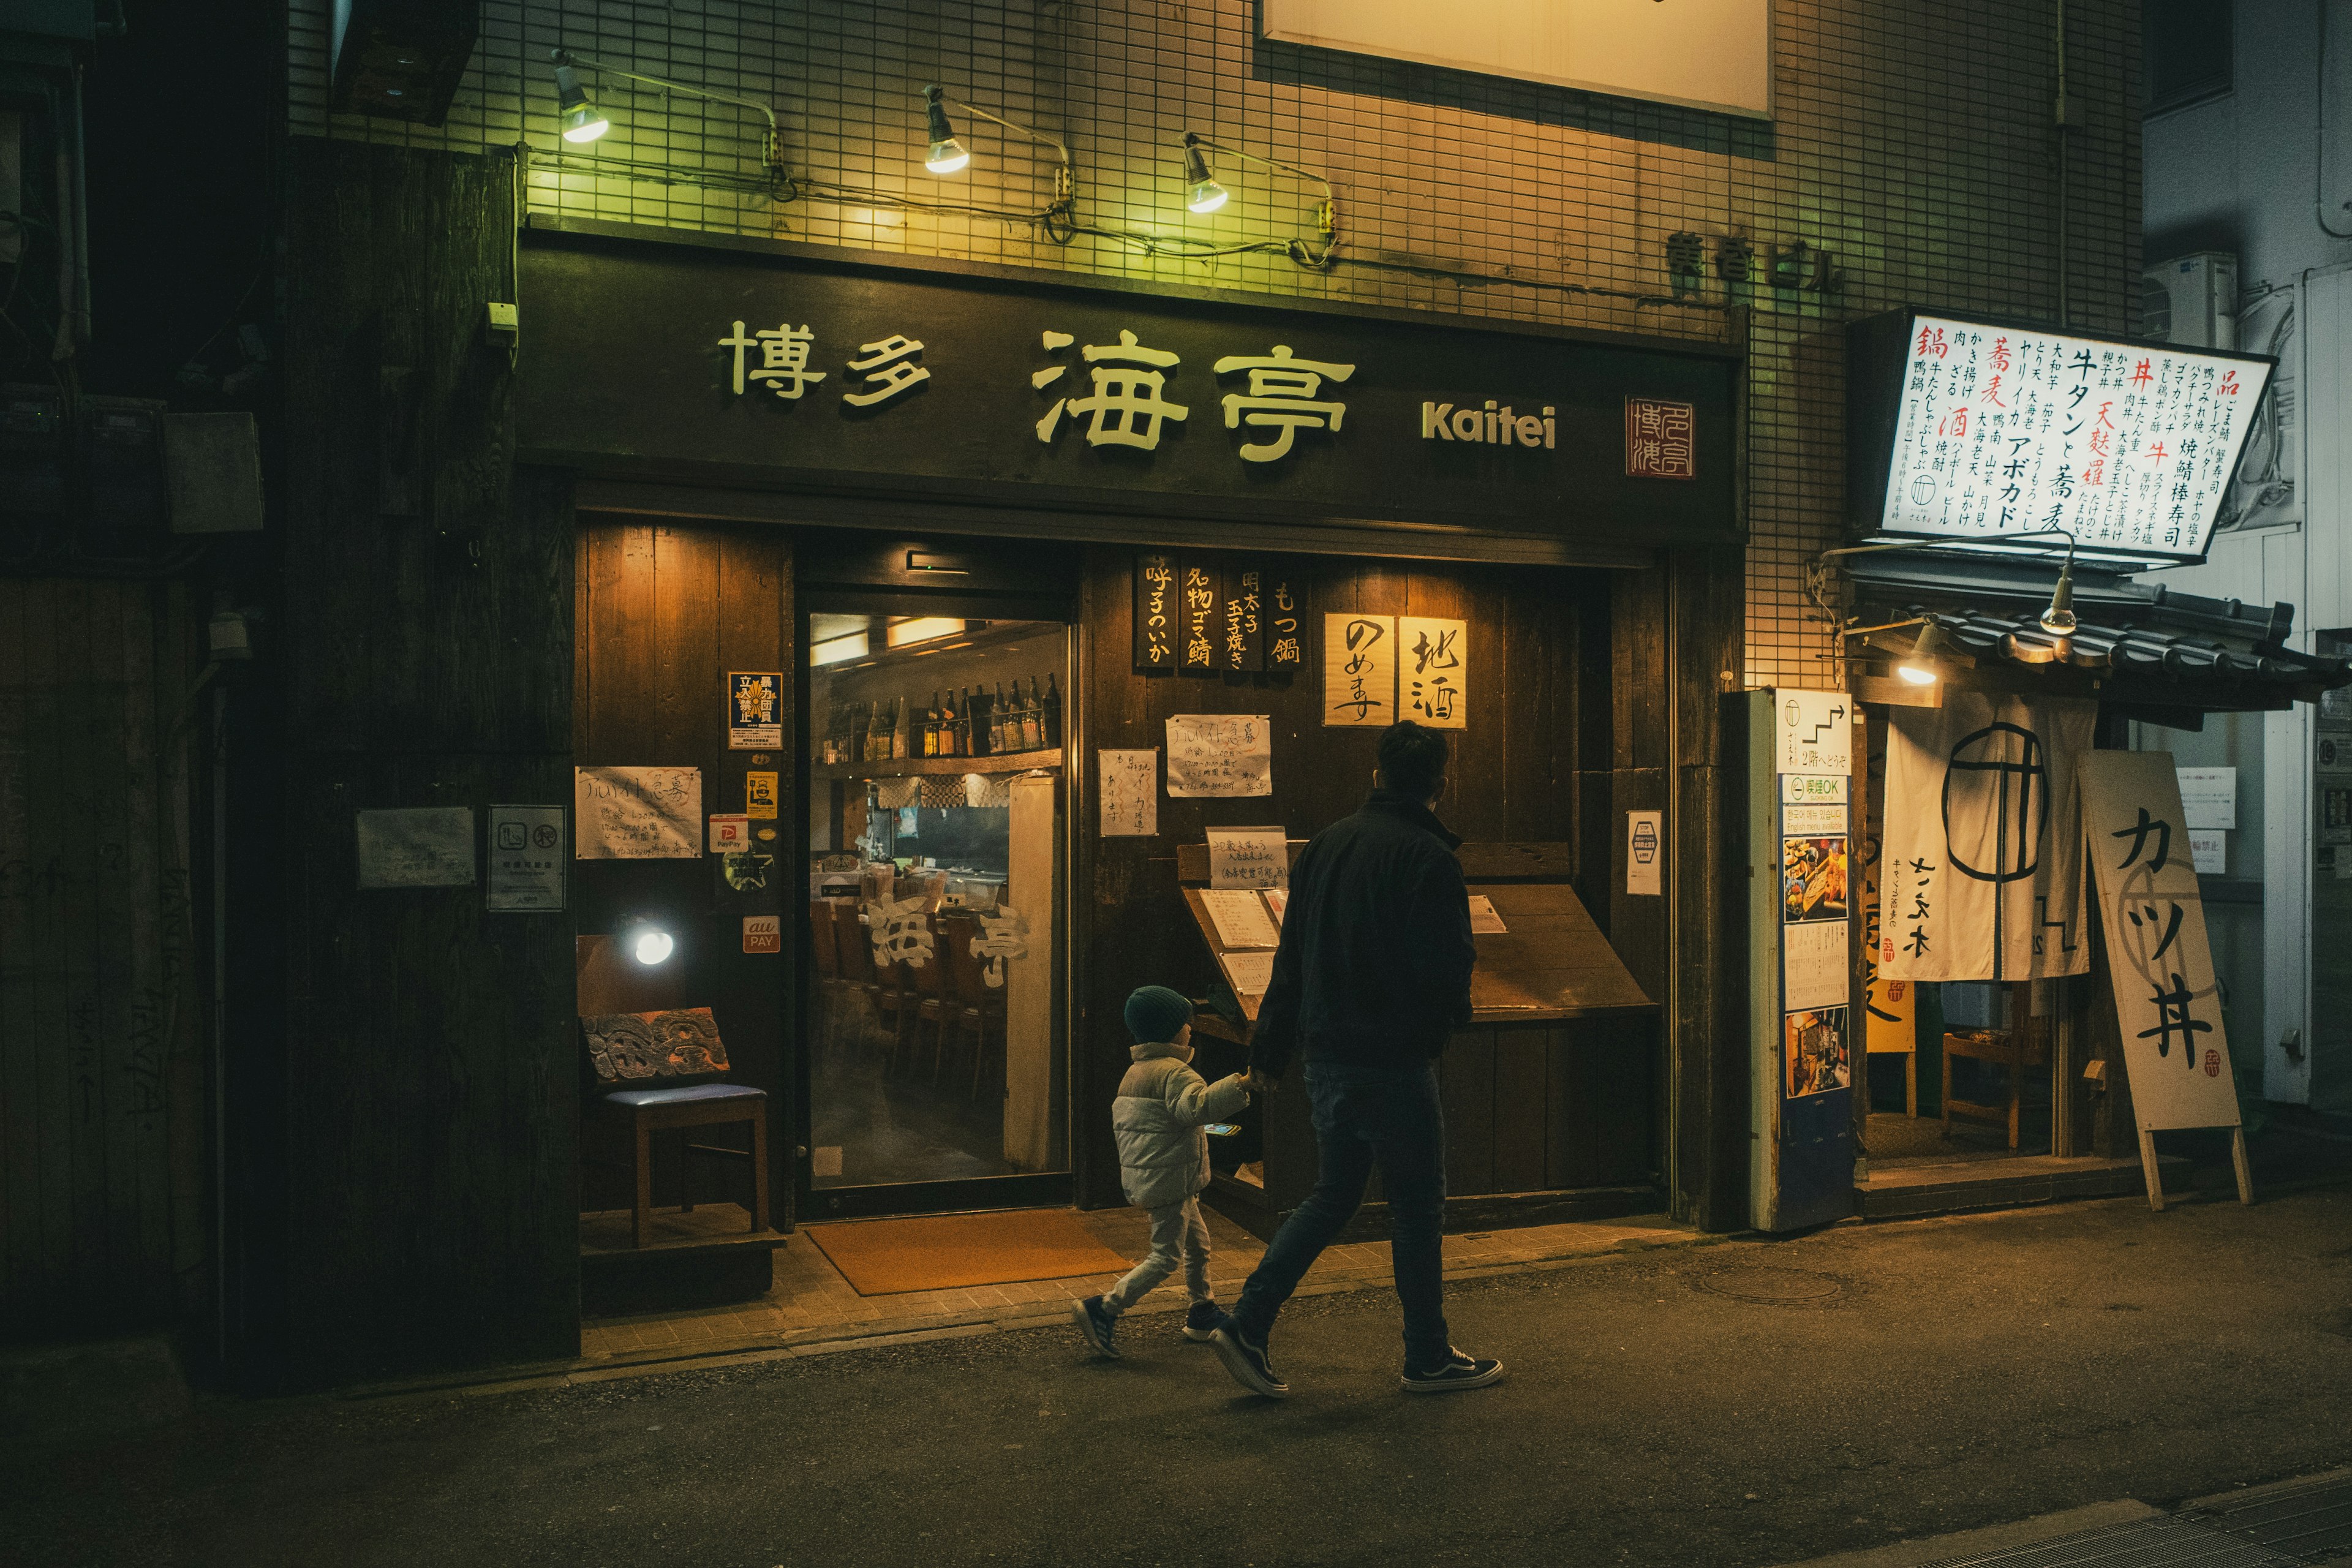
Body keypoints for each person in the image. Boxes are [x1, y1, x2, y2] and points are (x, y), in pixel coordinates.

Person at [1210, 722, 1502, 1398]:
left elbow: (1292, 958)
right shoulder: (1429, 856)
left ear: (1377, 776)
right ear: (1440, 783)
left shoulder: (1326, 846)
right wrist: (1437, 1033)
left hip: (1326, 1055)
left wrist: (1271, 1049)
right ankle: (1426, 1354)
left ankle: (1249, 1321)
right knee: (1417, 1207)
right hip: (1393, 1061)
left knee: (1333, 1193)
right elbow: (1447, 963)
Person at [1071, 985, 1252, 1359]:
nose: (1191, 1029)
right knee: (1165, 1256)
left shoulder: (1137, 1071)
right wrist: (1244, 1083)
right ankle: (1104, 1308)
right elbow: (1197, 1109)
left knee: (1198, 1245)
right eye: (1187, 1023)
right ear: (1172, 1030)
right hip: (1171, 1180)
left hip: (1157, 1175)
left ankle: (1202, 1310)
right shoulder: (1174, 1072)